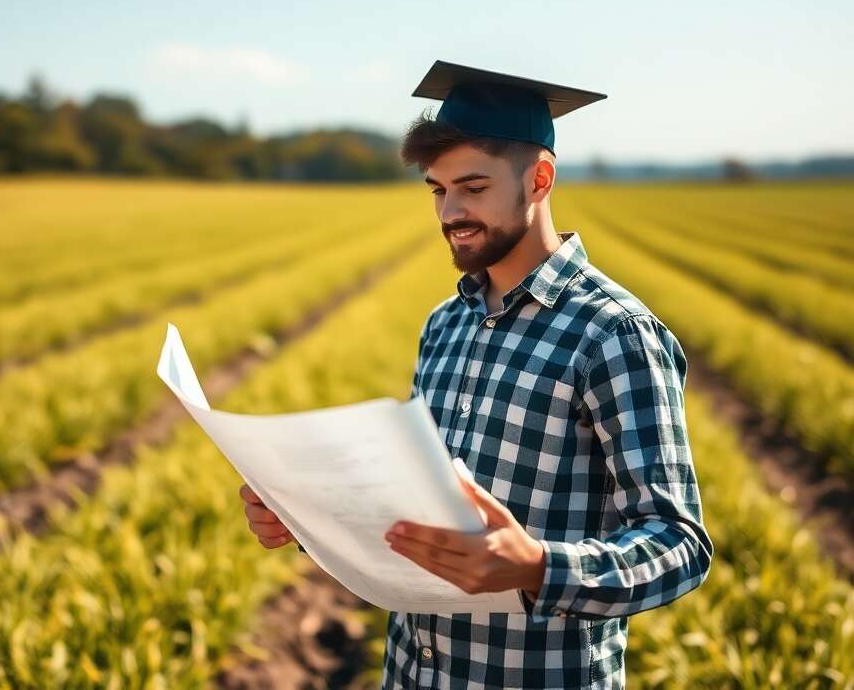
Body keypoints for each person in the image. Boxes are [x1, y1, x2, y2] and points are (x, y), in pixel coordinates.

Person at [240, 60, 713, 689]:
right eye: (438, 189)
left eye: (473, 187)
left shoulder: (613, 335)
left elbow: (679, 544)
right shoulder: (444, 325)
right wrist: (307, 522)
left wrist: (538, 566)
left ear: (539, 178)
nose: (449, 212)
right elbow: (417, 506)